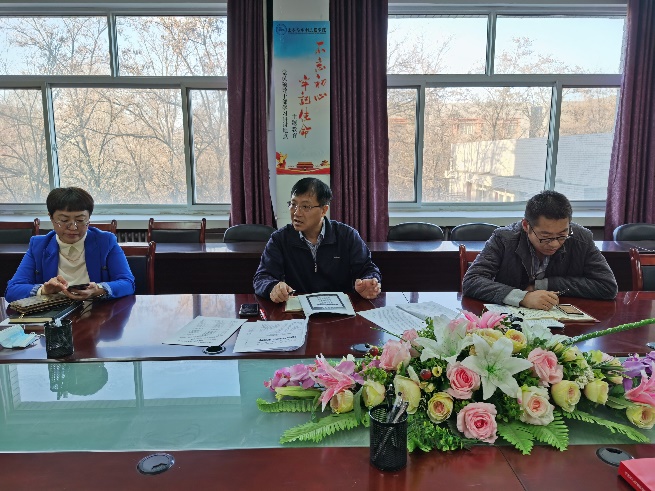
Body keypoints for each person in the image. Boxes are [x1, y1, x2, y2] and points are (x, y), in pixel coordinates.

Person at [462, 190, 617, 310]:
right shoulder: (504, 239)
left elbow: (607, 286)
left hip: (561, 323)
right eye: (545, 236)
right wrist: (523, 297)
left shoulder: (581, 238)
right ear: (526, 226)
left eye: (562, 235)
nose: (555, 244)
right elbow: (472, 281)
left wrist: (544, 284)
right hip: (509, 323)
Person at [253, 177, 381, 302]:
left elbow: (368, 269)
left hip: (339, 309)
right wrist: (272, 287)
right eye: (293, 204)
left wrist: (369, 282)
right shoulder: (280, 239)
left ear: (324, 210)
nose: (296, 213)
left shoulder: (347, 236)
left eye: (305, 207)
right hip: (297, 309)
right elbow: (262, 277)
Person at [5, 187, 135, 303]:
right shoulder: (39, 246)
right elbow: (13, 290)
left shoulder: (105, 242)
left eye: (80, 220)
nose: (73, 227)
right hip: (54, 315)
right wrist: (44, 290)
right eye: (64, 220)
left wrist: (99, 290)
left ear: (89, 218)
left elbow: (128, 283)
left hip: (97, 313)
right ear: (51, 218)